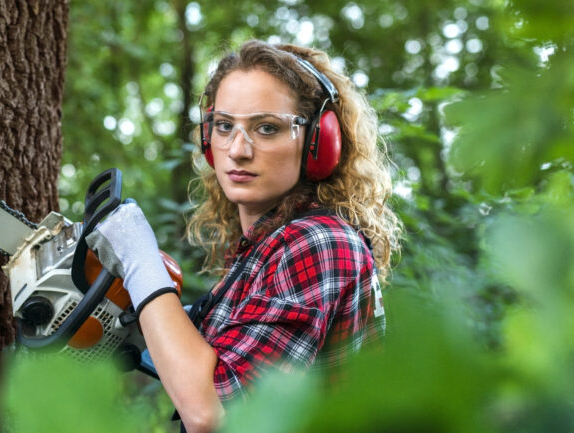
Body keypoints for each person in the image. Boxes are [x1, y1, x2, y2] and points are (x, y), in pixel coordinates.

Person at [87, 40, 402, 433]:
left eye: (266, 128)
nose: (237, 149)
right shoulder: (266, 247)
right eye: (224, 126)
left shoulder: (318, 242)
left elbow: (215, 415)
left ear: (320, 141)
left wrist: (140, 260)